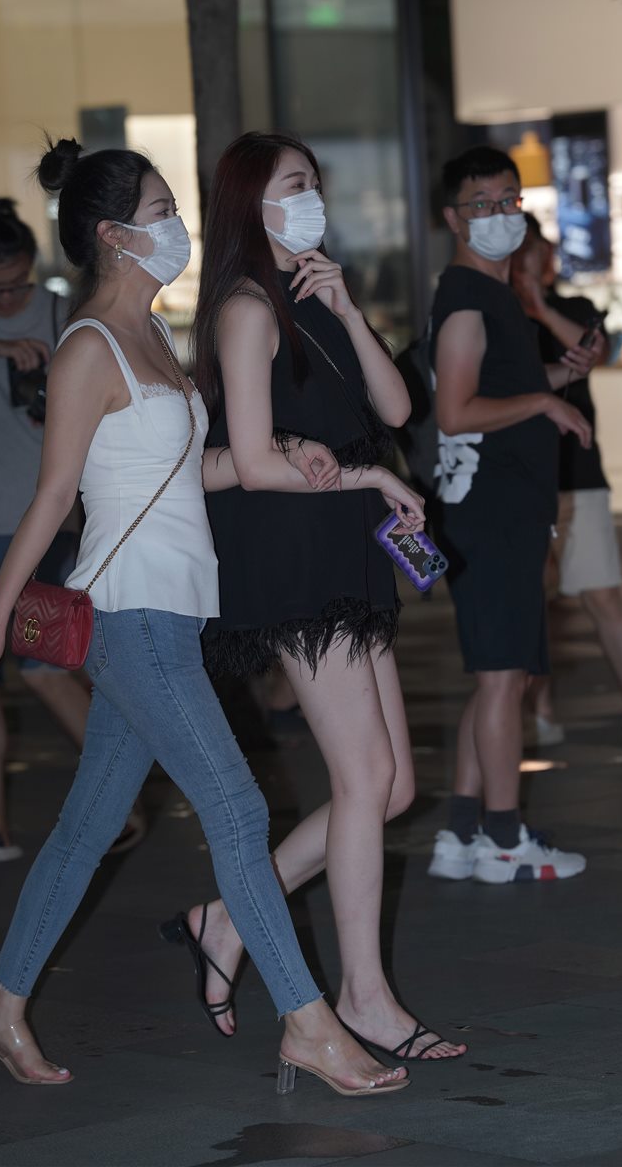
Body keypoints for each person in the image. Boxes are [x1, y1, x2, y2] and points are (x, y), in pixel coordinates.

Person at [0, 137, 409, 1098]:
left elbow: (185, 473)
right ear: (114, 235)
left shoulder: (155, 337)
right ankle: (310, 1026)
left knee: (87, 826)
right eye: (162, 210)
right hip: (131, 617)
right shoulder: (89, 347)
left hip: (173, 610)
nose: (179, 226)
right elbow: (54, 497)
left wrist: (295, 450)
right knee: (237, 810)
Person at [189, 131, 466, 1063]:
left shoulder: (308, 297)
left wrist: (347, 307)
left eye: (314, 182)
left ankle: (229, 917)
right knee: (361, 780)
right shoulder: (243, 309)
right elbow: (252, 460)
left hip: (344, 552)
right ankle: (363, 997)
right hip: (298, 555)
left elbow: (397, 411)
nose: (314, 197)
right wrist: (369, 480)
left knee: (394, 786)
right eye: (296, 184)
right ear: (253, 203)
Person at [0, 197, 143, 866]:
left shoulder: (63, 313)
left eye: (15, 286)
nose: (6, 300)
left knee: (46, 665)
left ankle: (124, 801)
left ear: (31, 269)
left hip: (50, 524)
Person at [425, 146, 595, 886]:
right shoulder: (467, 298)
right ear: (453, 218)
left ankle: (462, 833)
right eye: (482, 203)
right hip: (488, 515)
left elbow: (500, 390)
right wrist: (546, 401)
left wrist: (556, 376)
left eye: (509, 200)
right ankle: (504, 839)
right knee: (503, 679)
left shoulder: (496, 297)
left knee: (502, 677)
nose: (499, 215)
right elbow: (456, 410)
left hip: (504, 511)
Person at [511, 216, 622, 753]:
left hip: (578, 473)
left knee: (602, 594)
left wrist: (540, 306)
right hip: (521, 479)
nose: (534, 256)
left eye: (536, 247)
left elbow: (590, 353)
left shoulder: (573, 307)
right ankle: (541, 711)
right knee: (531, 599)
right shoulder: (490, 312)